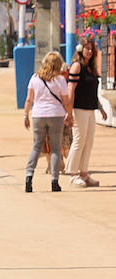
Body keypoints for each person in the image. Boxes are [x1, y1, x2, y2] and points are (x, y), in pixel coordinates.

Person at [23, 51, 73, 193]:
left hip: (38, 115)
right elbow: (66, 100)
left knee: (36, 146)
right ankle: (54, 181)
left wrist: (25, 115)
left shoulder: (34, 78)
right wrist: (70, 114)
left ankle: (28, 177)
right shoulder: (60, 80)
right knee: (56, 148)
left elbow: (28, 99)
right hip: (56, 115)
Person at [67, 37, 110, 187]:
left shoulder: (91, 67)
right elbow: (70, 90)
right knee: (79, 140)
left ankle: (84, 173)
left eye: (92, 49)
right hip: (79, 109)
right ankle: (73, 173)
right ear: (81, 49)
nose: (90, 51)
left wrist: (100, 107)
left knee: (88, 142)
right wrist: (69, 111)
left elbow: (92, 91)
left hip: (90, 109)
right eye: (87, 48)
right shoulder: (77, 66)